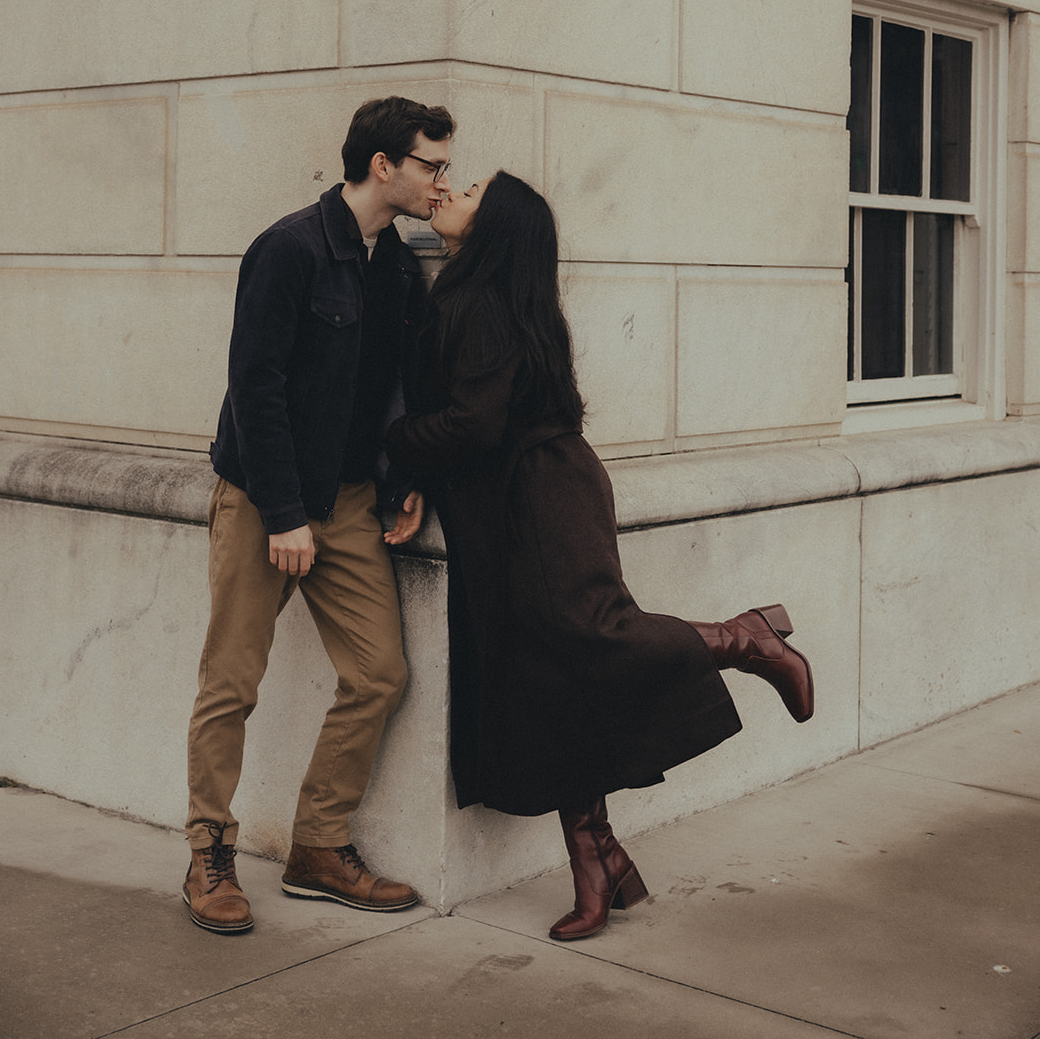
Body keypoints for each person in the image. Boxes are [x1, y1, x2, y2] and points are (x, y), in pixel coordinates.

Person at [385, 171, 815, 943]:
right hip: (506, 505)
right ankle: (598, 860)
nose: (451, 190)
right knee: (545, 677)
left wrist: (387, 448)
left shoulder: (480, 301)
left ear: (497, 226)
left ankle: (743, 639)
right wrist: (417, 479)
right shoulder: (481, 294)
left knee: (596, 633)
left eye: (471, 190)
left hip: (543, 497)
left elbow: (471, 423)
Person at [183, 96, 455, 933]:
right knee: (231, 682)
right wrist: (283, 513)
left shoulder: (396, 264)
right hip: (269, 501)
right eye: (430, 166)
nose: (440, 182)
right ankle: (208, 853)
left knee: (379, 674)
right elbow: (254, 385)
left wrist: (406, 479)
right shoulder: (290, 248)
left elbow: (395, 390)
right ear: (383, 166)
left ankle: (317, 847)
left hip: (346, 508)